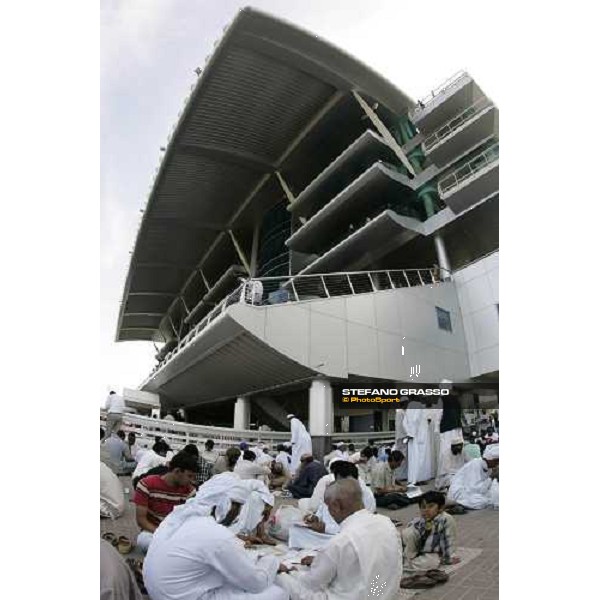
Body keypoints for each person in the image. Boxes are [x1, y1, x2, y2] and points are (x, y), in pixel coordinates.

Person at [143, 475, 288, 600]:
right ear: (226, 503)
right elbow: (256, 583)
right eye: (237, 506)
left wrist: (256, 557)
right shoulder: (216, 534)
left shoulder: (179, 516)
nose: (237, 514)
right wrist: (272, 561)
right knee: (278, 593)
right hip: (183, 597)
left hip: (159, 592)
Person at [277, 479, 401, 600]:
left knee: (284, 579)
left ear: (336, 506)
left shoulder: (341, 541)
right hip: (384, 592)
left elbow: (312, 583)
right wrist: (321, 560)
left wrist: (293, 572)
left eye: (328, 507)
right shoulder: (387, 523)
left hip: (355, 596)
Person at [289, 461, 376, 550]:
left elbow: (360, 527)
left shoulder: (365, 494)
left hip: (348, 536)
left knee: (344, 543)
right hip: (326, 534)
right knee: (295, 529)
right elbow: (323, 510)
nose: (337, 482)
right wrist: (315, 518)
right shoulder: (335, 488)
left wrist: (326, 528)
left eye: (339, 479)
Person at [133, 451, 198, 551]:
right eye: (189, 476)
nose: (192, 481)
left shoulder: (189, 491)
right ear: (176, 471)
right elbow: (141, 521)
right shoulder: (147, 484)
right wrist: (162, 535)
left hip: (176, 533)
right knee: (143, 540)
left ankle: (168, 551)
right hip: (153, 531)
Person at [401, 491, 459, 573]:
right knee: (407, 532)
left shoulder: (446, 519)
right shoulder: (421, 519)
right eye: (423, 507)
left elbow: (449, 539)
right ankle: (407, 560)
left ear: (441, 508)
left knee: (431, 563)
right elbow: (410, 535)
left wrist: (448, 557)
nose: (426, 510)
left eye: (430, 506)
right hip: (417, 551)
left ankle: (405, 565)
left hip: (433, 552)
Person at [447, 444, 499, 510]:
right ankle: (458, 503)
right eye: (496, 461)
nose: (497, 464)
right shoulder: (475, 464)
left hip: (475, 491)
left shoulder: (489, 467)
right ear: (490, 459)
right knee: (481, 501)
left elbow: (484, 487)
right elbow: (474, 488)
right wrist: (491, 477)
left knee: (493, 496)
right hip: (462, 491)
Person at [404, 400, 435, 484]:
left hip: (413, 436)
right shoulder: (418, 406)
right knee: (420, 459)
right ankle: (418, 479)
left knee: (413, 459)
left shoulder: (409, 407)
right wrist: (412, 433)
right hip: (420, 436)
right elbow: (415, 420)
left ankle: (413, 479)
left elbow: (405, 422)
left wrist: (409, 433)